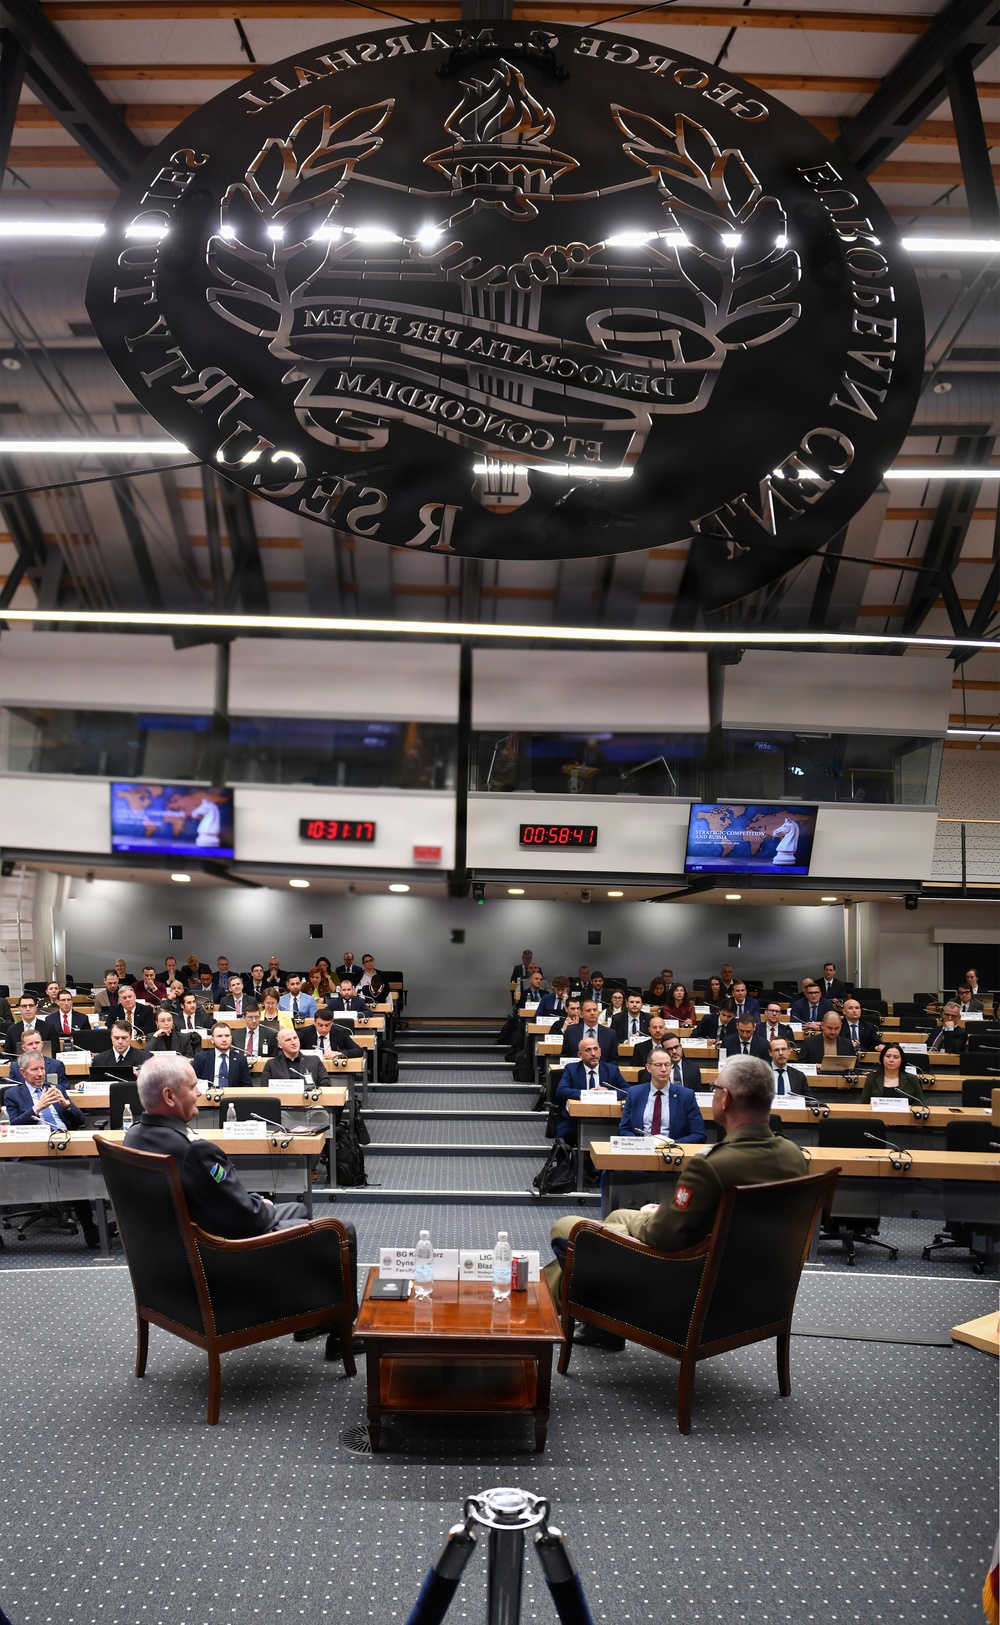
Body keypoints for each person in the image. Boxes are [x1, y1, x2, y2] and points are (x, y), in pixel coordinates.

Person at [544, 1056, 808, 1340]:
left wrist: (649, 1216)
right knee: (617, 1215)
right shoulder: (793, 1155)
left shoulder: (711, 1165)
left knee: (568, 1228)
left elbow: (662, 1235)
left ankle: (551, 1307)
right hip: (756, 1285)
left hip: (687, 1286)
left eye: (715, 1088)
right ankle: (598, 1325)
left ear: (726, 1100)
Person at [125, 1054, 324, 1244]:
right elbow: (247, 1215)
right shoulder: (195, 1151)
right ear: (169, 1096)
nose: (199, 1093)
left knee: (296, 1209)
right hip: (220, 1246)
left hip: (168, 1241)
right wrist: (263, 1204)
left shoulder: (133, 1136)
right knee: (326, 1229)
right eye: (193, 1087)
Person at [4, 1053, 102, 1245]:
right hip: (34, 1150)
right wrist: (37, 1108)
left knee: (80, 1164)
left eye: (42, 1068)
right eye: (34, 1069)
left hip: (64, 1144)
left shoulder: (56, 1089)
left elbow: (80, 1120)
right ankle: (87, 1227)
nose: (40, 1073)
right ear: (23, 1072)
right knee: (72, 1171)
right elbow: (12, 1126)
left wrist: (66, 1105)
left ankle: (87, 1226)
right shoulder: (13, 1094)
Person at [619, 1047, 706, 1143]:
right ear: (648, 1068)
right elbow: (624, 1129)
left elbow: (699, 1134)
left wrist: (672, 1144)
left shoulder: (686, 1096)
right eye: (658, 1065)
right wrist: (639, 1143)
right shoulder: (634, 1093)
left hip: (673, 1149)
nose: (664, 1069)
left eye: (667, 1065)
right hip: (642, 1148)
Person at [554, 1036, 628, 1142]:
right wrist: (587, 1094)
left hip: (608, 1120)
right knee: (564, 1134)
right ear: (580, 1055)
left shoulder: (612, 1070)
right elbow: (561, 1091)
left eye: (595, 1049)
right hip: (575, 1120)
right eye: (588, 1050)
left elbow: (627, 1091)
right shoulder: (571, 1069)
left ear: (600, 1052)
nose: (593, 1053)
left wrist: (608, 1093)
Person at [860, 1042, 925, 1106]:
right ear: (882, 1058)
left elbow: (919, 1105)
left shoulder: (912, 1079)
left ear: (901, 1060)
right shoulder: (871, 1079)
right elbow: (864, 1106)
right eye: (888, 1056)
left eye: (896, 1057)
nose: (891, 1060)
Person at [261, 1027, 327, 1089]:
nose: (293, 1042)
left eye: (295, 1038)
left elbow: (326, 1085)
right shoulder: (272, 1065)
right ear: (280, 1045)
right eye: (288, 1040)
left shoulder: (314, 1061)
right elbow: (264, 1089)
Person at [296, 1008, 364, 1059]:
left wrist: (338, 1054)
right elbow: (294, 1050)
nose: (324, 1029)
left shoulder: (340, 1032)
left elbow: (359, 1051)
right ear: (314, 1022)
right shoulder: (305, 1032)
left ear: (332, 1022)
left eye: (327, 1025)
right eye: (320, 1025)